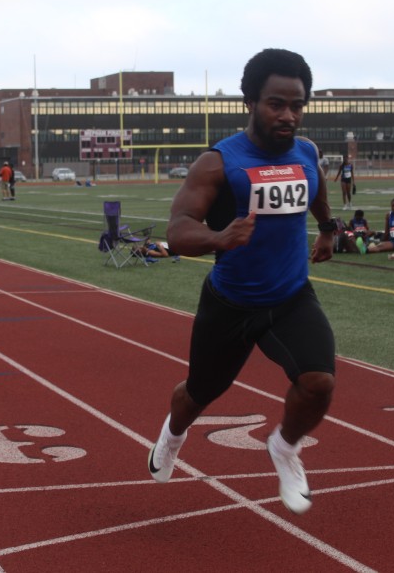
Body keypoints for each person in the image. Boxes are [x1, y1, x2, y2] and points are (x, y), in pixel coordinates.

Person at [147, 48, 336, 516]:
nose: (288, 115)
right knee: (199, 394)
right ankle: (172, 436)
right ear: (249, 102)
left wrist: (328, 229)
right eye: (276, 104)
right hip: (231, 303)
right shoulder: (217, 163)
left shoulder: (306, 153)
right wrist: (218, 238)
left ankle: (285, 448)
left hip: (290, 297)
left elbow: (316, 188)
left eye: (297, 105)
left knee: (318, 383)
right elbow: (177, 230)